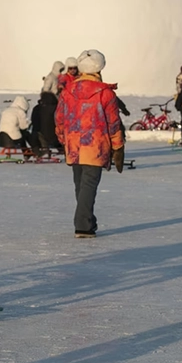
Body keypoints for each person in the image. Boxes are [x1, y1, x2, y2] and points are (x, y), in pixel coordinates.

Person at [55, 50, 125, 238]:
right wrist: (118, 146)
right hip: (95, 146)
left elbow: (59, 118)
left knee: (81, 185)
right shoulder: (105, 93)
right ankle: (83, 226)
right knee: (88, 185)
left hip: (74, 145)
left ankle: (87, 221)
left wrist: (63, 139)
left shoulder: (68, 91)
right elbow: (113, 123)